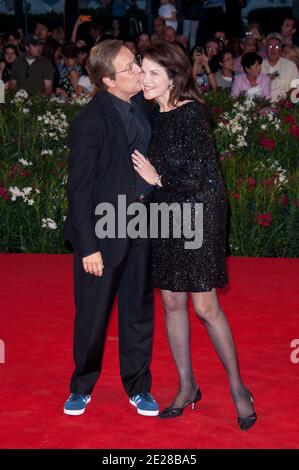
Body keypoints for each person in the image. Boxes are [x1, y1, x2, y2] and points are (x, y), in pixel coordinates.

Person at [131, 41, 257, 430]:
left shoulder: (192, 115)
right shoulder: (150, 112)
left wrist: (158, 180)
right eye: (143, 70)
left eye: (155, 73)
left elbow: (207, 183)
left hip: (197, 221)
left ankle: (239, 388)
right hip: (165, 218)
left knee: (205, 308)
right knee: (171, 303)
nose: (145, 79)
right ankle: (186, 387)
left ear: (175, 76)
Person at [63, 40, 158, 417]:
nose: (138, 70)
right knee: (92, 315)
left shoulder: (144, 108)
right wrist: (88, 247)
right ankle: (81, 385)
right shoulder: (90, 122)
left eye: (135, 62)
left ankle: (139, 386)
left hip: (141, 225)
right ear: (107, 81)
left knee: (137, 313)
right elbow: (79, 189)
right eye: (130, 67)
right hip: (101, 234)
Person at [261, 33, 299, 102]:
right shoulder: (258, 66)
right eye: (270, 47)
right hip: (262, 106)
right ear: (266, 49)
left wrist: (286, 100)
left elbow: (296, 87)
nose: (273, 50)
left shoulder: (290, 66)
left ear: (281, 49)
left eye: (277, 47)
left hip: (284, 108)